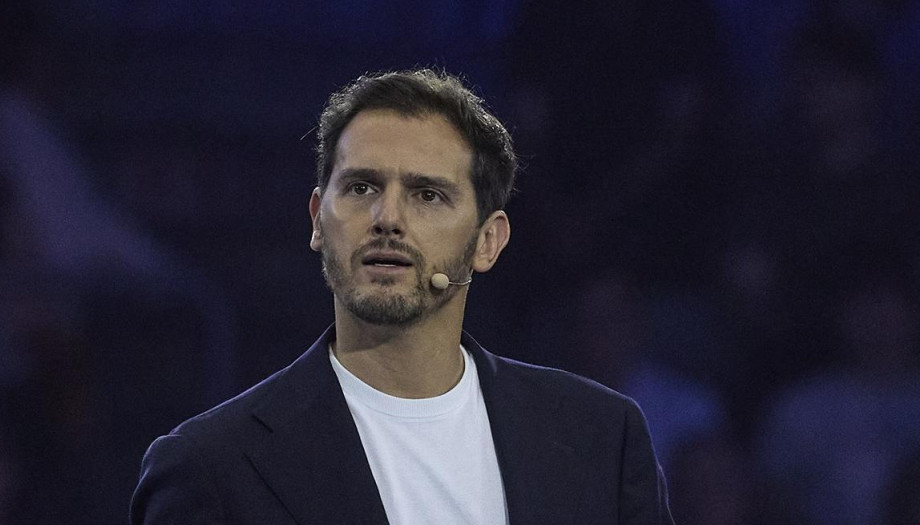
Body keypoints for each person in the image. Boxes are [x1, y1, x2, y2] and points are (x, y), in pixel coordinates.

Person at [130, 69, 673, 524]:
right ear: (319, 219)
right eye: (361, 187)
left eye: (428, 195)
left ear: (488, 241)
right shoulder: (209, 470)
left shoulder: (602, 439)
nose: (387, 219)